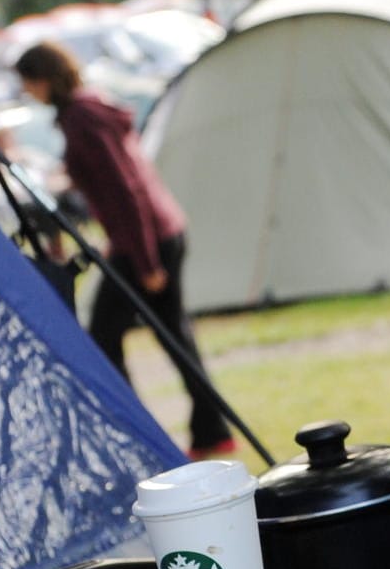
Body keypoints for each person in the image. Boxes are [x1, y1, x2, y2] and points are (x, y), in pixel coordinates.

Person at [13, 41, 235, 460]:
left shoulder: (82, 118)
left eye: (28, 84)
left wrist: (147, 261)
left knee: (106, 337)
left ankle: (138, 436)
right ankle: (210, 433)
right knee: (173, 336)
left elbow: (126, 189)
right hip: (155, 232)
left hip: (145, 241)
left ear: (42, 80)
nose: (27, 92)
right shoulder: (88, 107)